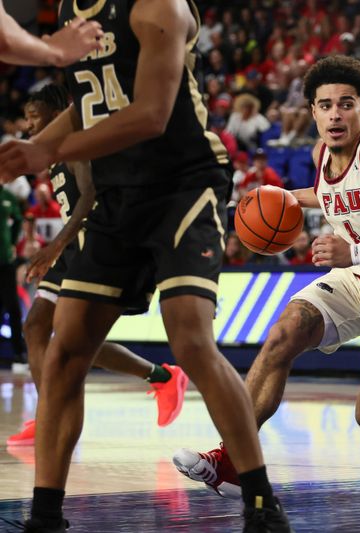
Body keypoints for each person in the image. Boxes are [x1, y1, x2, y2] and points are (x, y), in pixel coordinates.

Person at [0, 1, 287, 531]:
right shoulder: (69, 7)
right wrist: (36, 145)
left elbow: (153, 113)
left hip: (183, 184)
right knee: (64, 352)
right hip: (117, 195)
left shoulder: (158, 4)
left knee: (191, 341)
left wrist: (51, 151)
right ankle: (45, 516)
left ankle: (262, 501)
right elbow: (92, 98)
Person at [173, 55, 360, 498]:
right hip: (357, 281)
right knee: (285, 332)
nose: (335, 114)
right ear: (312, 111)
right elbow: (329, 193)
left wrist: (353, 250)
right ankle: (233, 460)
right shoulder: (323, 153)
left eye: (346, 104)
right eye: (325, 105)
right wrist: (270, 199)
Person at [6, 85, 189, 448]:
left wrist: (54, 245)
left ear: (59, 113)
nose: (28, 126)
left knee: (72, 340)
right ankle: (49, 417)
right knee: (35, 327)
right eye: (26, 118)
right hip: (72, 246)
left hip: (95, 244)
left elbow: (89, 197)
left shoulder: (78, 141)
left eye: (34, 117)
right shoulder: (53, 152)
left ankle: (161, 377)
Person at [0, 0, 102, 67]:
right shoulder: (66, 6)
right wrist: (56, 50)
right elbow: (5, 40)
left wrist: (46, 47)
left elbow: (7, 28)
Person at [0, 177, 24, 369]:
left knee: (13, 308)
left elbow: (18, 220)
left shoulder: (8, 196)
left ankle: (19, 353)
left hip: (6, 261)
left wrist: (13, 243)